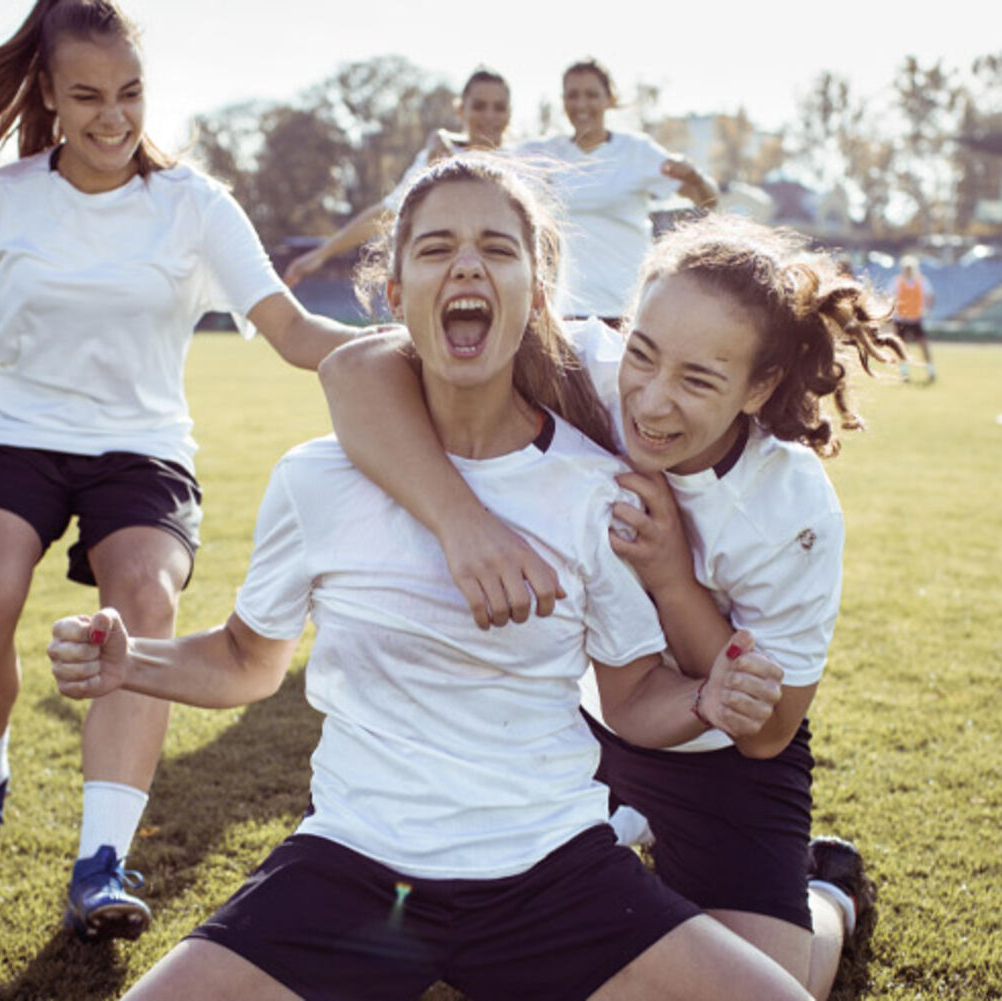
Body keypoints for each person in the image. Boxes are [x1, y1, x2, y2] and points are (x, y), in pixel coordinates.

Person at [48, 156, 813, 1000]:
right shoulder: (315, 480)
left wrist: (704, 701)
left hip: (552, 870)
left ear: (538, 285)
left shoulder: (600, 490)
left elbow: (630, 698)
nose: (467, 266)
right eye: (436, 247)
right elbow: (245, 658)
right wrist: (131, 663)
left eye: (497, 246)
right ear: (394, 288)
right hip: (351, 866)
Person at [0, 0, 358, 942]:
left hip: (144, 447)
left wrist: (384, 350)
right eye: (87, 95)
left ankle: (101, 859)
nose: (113, 117)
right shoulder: (0, 199)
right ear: (48, 93)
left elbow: (288, 327)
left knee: (140, 606)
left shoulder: (196, 205)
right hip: (17, 433)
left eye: (129, 94)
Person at [318, 214, 901, 998]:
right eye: (644, 352)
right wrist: (463, 523)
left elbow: (766, 731)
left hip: (718, 762)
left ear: (758, 388)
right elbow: (355, 370)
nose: (651, 402)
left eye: (698, 380)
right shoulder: (583, 369)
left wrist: (670, 578)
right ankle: (617, 826)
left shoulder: (791, 507)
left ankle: (828, 894)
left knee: (774, 983)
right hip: (578, 721)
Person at [517, 58, 719, 325]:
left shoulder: (636, 151)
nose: (581, 105)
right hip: (566, 309)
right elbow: (485, 154)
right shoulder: (547, 152)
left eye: (591, 95)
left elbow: (708, 200)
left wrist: (694, 176)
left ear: (609, 99)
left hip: (629, 306)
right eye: (572, 95)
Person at [280, 68, 513, 287]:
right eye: (479, 106)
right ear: (461, 110)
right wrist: (321, 254)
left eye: (499, 107)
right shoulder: (437, 158)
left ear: (510, 112)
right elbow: (389, 213)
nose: (489, 116)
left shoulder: (525, 159)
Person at [892, 255, 935, 384]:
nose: (908, 271)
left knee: (924, 346)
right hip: (901, 320)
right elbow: (890, 297)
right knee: (902, 348)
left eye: (910, 268)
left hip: (916, 319)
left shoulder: (922, 281)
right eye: (906, 268)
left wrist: (927, 310)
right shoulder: (897, 281)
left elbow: (930, 296)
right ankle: (904, 374)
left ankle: (931, 371)